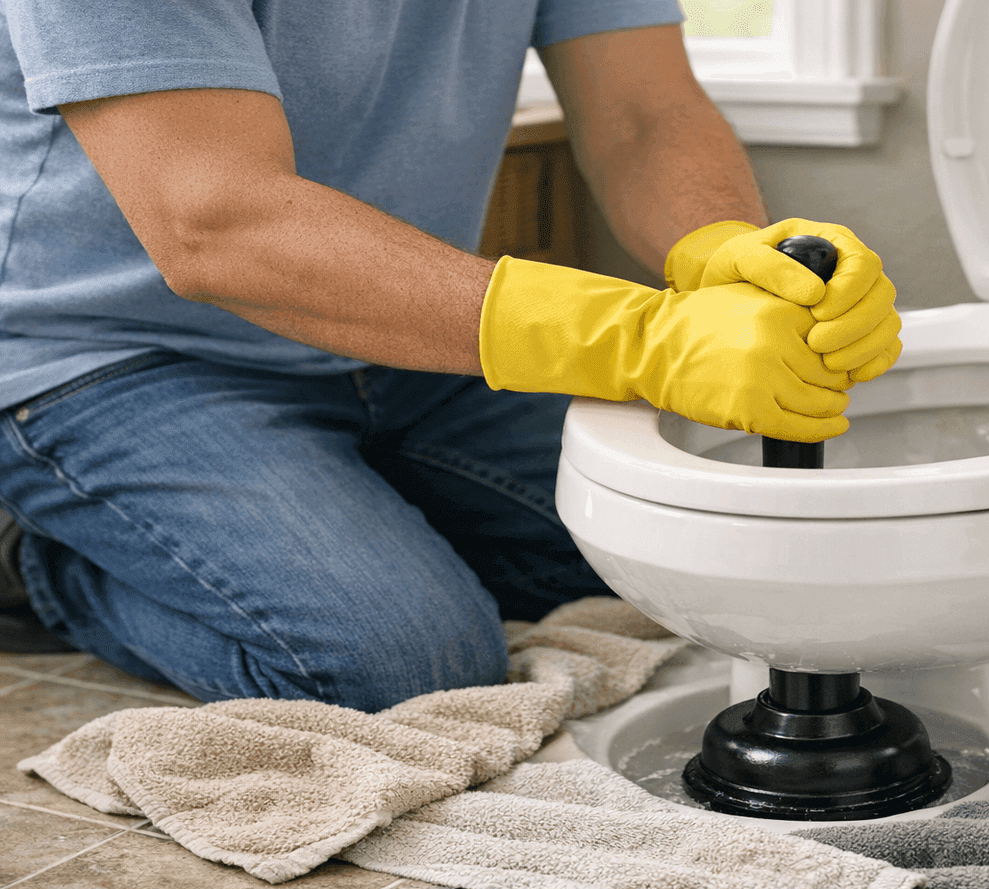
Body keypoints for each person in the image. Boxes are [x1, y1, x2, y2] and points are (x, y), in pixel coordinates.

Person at [0, 2, 900, 711]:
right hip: (114, 359)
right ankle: (42, 559)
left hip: (398, 334)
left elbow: (643, 113)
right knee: (405, 662)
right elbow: (219, 224)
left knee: (685, 553)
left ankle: (343, 505)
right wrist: (636, 337)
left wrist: (728, 253)